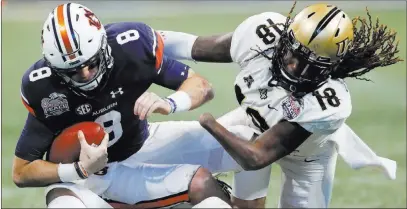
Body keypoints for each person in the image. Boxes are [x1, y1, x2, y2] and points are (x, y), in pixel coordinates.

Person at [157, 2, 402, 208]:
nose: (294, 67)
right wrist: (140, 38)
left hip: (307, 157)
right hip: (251, 125)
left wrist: (210, 123)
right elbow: (193, 46)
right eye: (292, 53)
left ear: (331, 67)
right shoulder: (262, 37)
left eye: (310, 65)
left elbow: (257, 157)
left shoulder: (328, 101)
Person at [13, 3, 233, 208]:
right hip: (94, 178)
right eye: (73, 71)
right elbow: (21, 172)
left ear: (103, 46)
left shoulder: (129, 47)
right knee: (64, 204)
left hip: (143, 142)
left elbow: (202, 86)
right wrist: (78, 170)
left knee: (244, 140)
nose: (86, 75)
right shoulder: (43, 88)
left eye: (91, 63)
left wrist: (170, 103)